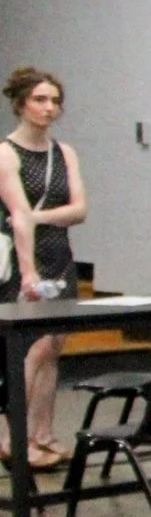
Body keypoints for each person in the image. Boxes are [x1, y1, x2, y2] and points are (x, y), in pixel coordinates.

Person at [0, 66, 86, 469]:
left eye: (54, 100)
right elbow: (18, 216)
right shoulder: (6, 152)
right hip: (23, 258)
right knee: (29, 349)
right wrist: (29, 272)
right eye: (39, 99)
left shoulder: (63, 152)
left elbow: (80, 209)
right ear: (20, 103)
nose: (48, 107)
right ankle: (11, 435)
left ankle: (44, 432)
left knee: (53, 347)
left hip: (59, 255)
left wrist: (42, 217)